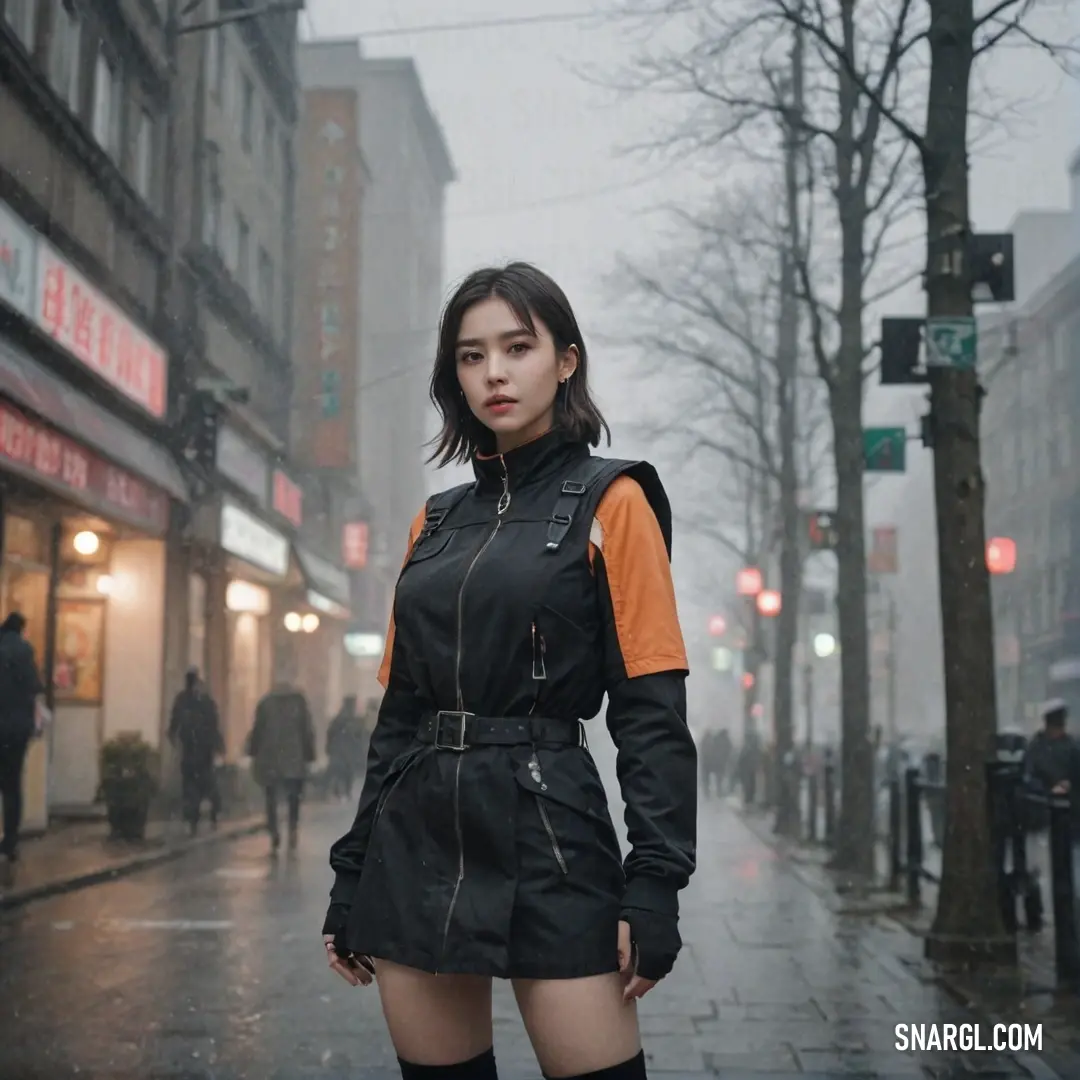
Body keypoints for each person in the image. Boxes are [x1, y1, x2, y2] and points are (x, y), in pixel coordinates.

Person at [321, 263, 696, 1080]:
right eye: (470, 355)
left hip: (551, 831)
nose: (493, 372)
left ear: (565, 359)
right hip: (418, 838)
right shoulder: (436, 520)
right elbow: (401, 714)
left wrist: (657, 881)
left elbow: (650, 708)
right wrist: (352, 874)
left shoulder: (614, 500)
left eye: (517, 347)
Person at [248, 679, 315, 853]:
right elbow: (306, 731)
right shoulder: (299, 703)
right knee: (294, 798)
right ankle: (292, 829)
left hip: (270, 756)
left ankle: (274, 830)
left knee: (271, 797)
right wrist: (309, 754)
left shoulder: (266, 703)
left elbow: (257, 729)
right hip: (294, 757)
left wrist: (253, 750)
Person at [0, 612, 44, 863]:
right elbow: (33, 686)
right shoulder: (24, 650)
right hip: (17, 729)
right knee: (12, 785)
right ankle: (10, 841)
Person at [167, 668, 225, 835]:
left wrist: (173, 736)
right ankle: (205, 815)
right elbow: (214, 724)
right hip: (201, 749)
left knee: (193, 784)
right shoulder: (204, 701)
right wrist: (218, 745)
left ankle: (194, 818)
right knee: (203, 784)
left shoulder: (184, 700)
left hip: (192, 749)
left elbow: (175, 722)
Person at [326, 695, 367, 800]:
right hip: (345, 751)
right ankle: (343, 792)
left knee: (341, 772)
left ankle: (339, 792)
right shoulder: (351, 720)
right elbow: (359, 737)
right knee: (345, 772)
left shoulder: (339, 719)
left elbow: (330, 734)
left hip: (341, 751)